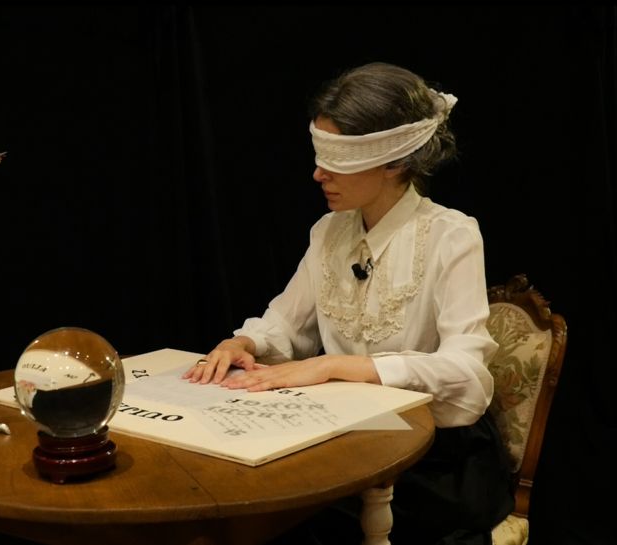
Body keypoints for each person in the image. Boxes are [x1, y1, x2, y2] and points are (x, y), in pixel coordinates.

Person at [184, 62, 513, 544]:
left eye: (337, 159)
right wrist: (244, 343)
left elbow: (466, 375)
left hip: (432, 460)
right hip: (346, 440)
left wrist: (335, 366)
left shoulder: (451, 236)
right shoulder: (329, 232)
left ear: (394, 161)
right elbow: (286, 323)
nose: (318, 173)